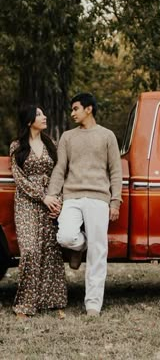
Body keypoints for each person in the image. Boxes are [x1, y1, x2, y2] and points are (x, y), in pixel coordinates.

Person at [43, 92, 122, 317]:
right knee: (66, 236)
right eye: (72, 109)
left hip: (99, 198)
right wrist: (52, 194)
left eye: (76, 108)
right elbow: (60, 169)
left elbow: (115, 171)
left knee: (99, 252)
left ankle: (93, 305)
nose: (72, 113)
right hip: (72, 196)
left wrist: (115, 201)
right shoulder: (68, 137)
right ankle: (82, 244)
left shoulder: (107, 136)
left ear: (89, 109)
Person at [9, 105, 67, 320]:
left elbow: (60, 173)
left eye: (44, 113)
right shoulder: (17, 146)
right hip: (27, 203)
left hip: (50, 203)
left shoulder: (51, 143)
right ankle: (24, 304)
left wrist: (57, 200)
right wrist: (43, 197)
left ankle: (51, 300)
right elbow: (19, 178)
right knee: (31, 250)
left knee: (50, 250)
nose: (44, 117)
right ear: (28, 120)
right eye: (39, 114)